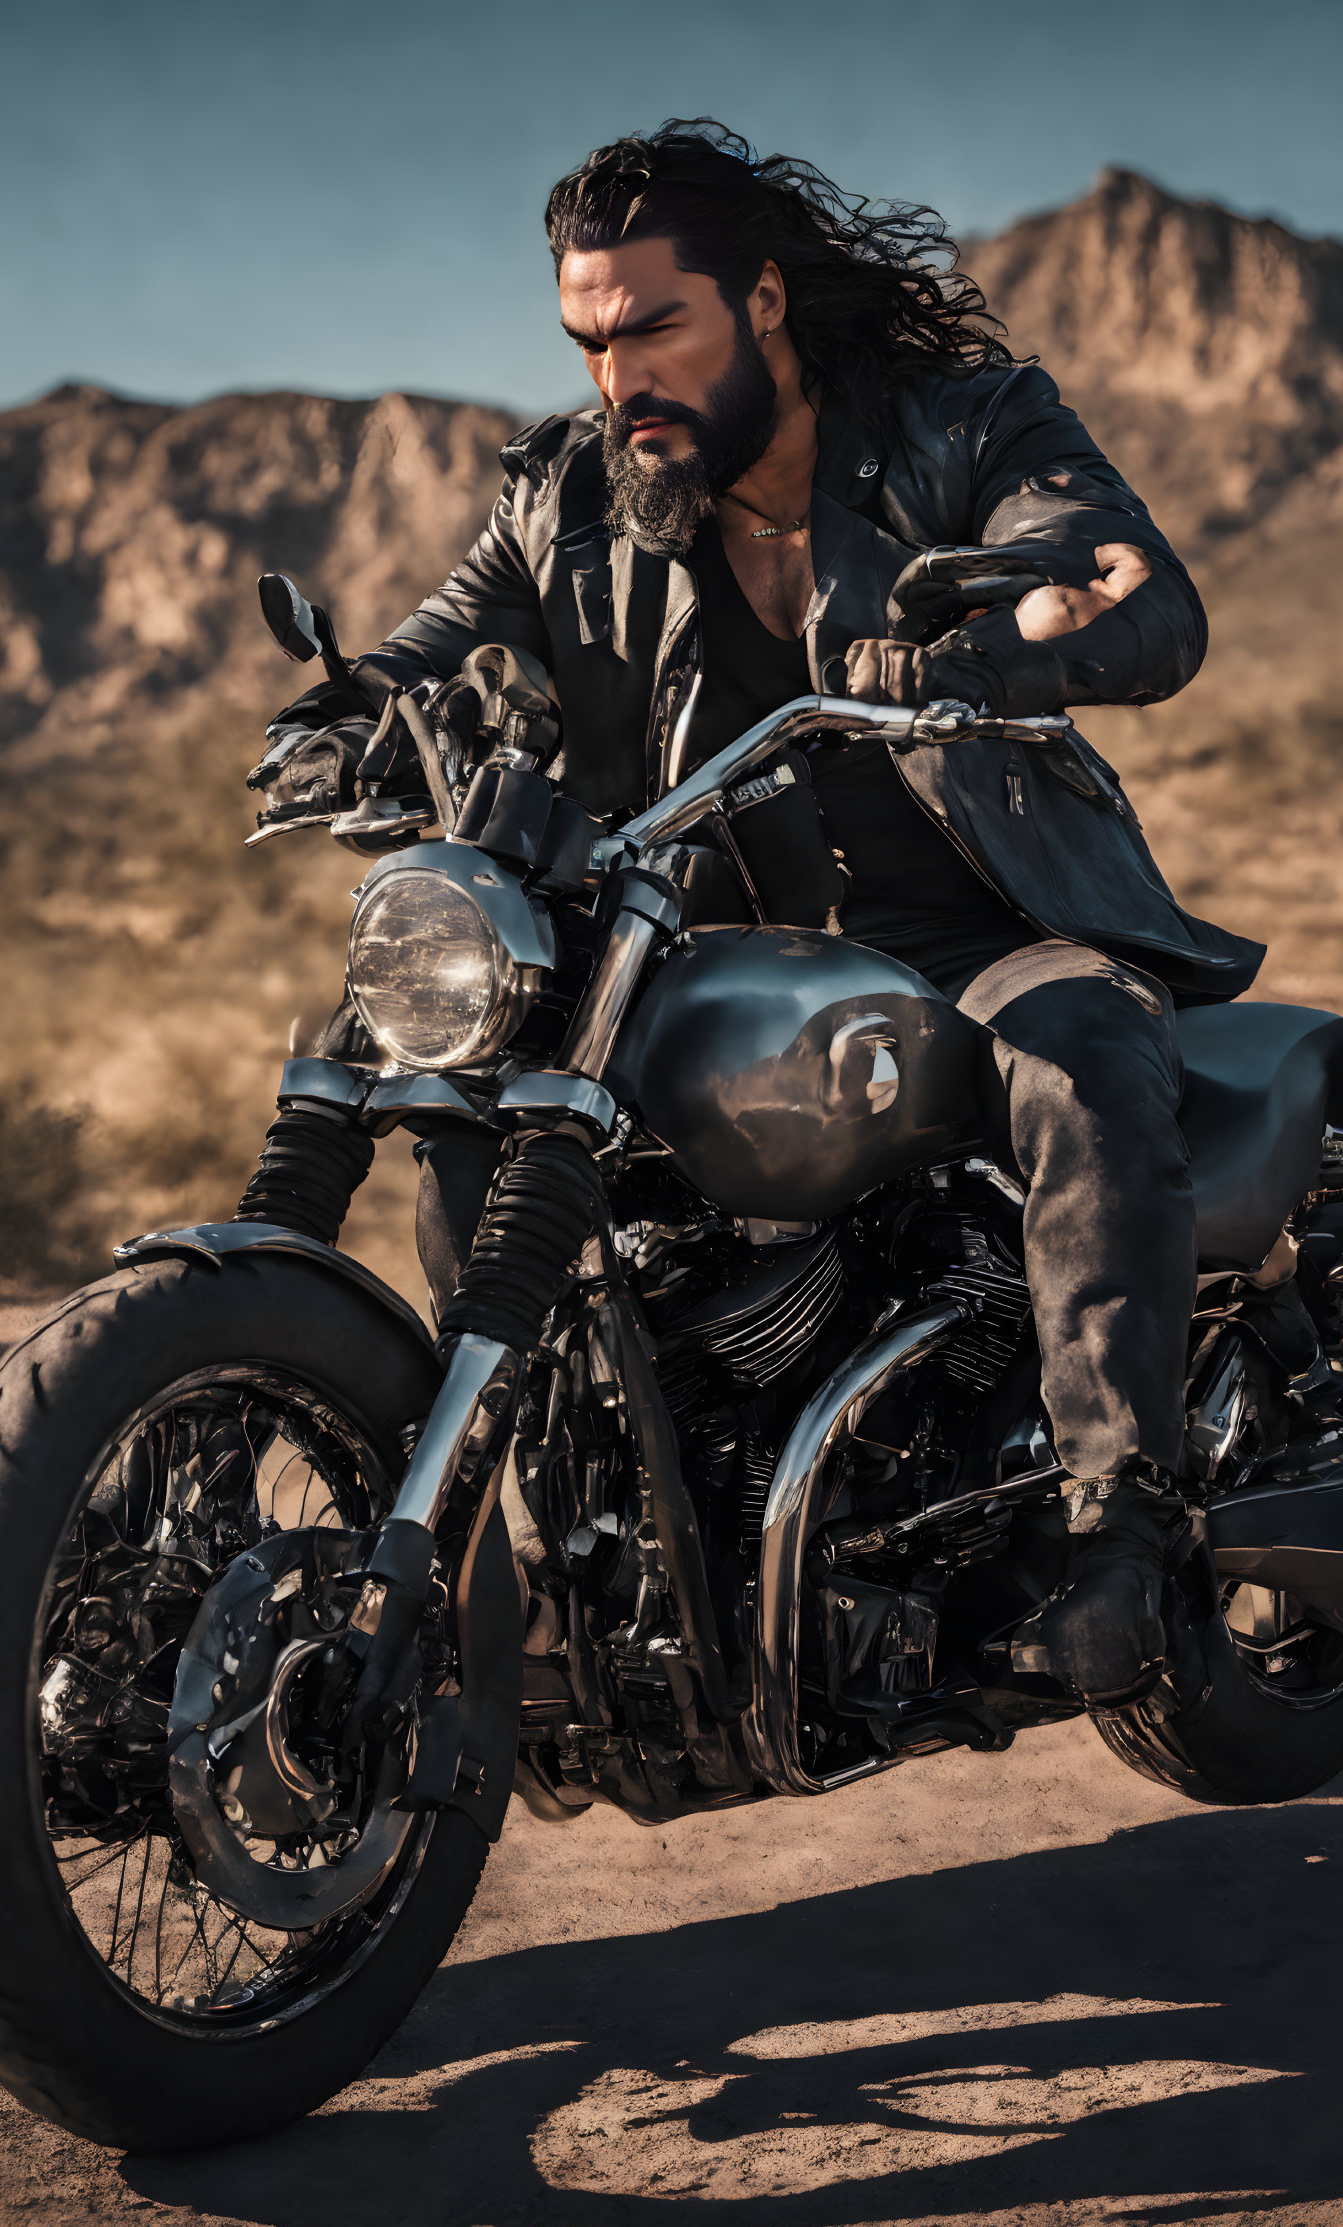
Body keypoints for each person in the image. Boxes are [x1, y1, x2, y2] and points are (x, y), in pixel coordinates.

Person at [258, 120, 1264, 1705]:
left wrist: (998, 643)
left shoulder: (964, 424)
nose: (617, 377)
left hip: (978, 922)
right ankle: (535, 1547)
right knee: (476, 1101)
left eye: (653, 326)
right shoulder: (570, 500)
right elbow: (431, 640)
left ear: (766, 301)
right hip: (699, 942)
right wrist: (343, 716)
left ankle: (1120, 1522)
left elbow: (1128, 585)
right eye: (588, 340)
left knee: (1079, 1057)